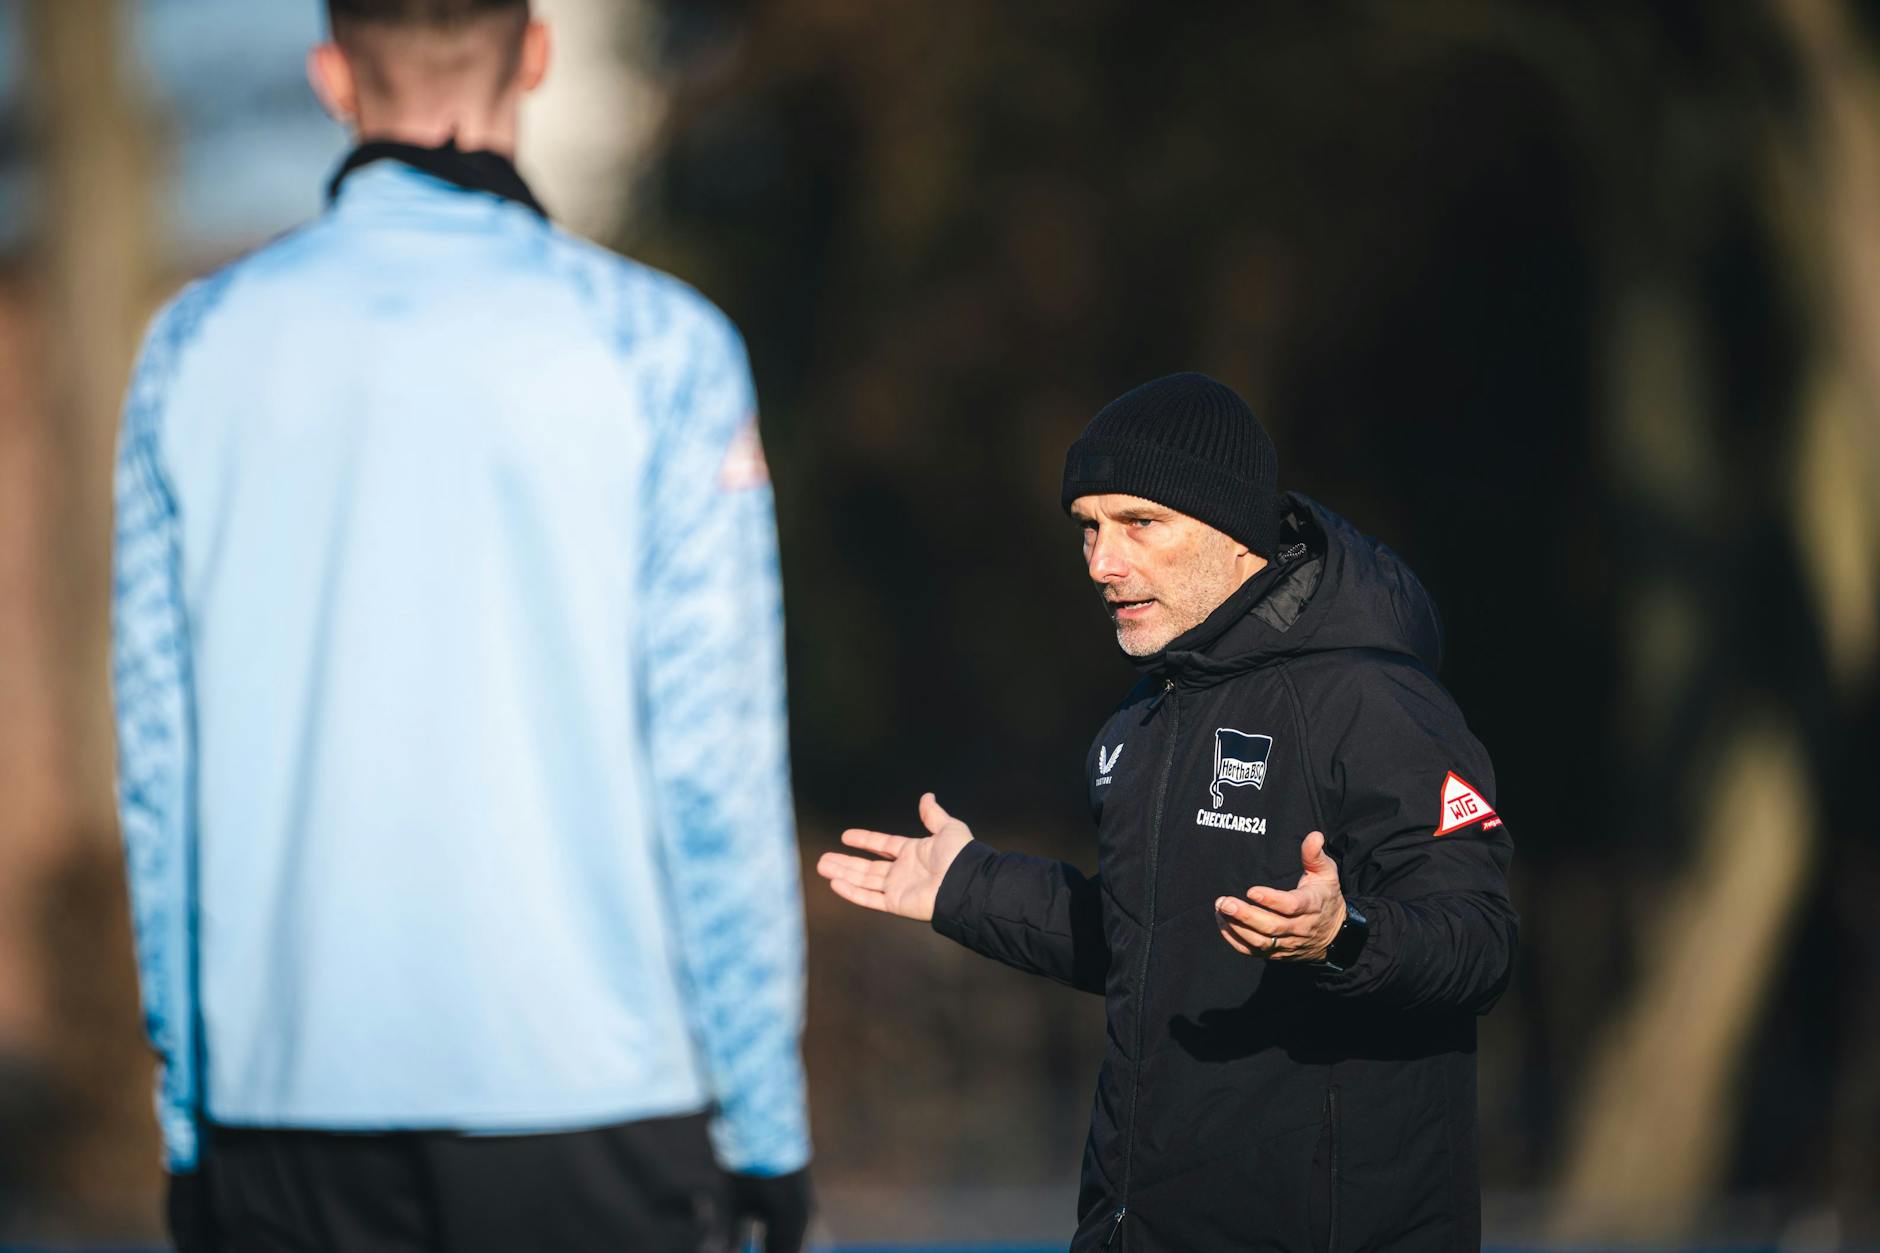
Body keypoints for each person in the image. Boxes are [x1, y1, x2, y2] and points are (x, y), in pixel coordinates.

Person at [109, 2, 811, 1249]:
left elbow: (160, 773)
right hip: (590, 1089)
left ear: (332, 77)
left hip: (282, 1096)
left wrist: (187, 1113)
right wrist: (763, 1125)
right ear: (535, 52)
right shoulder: (662, 347)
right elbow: (715, 761)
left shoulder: (192, 349)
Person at [817, 373, 1518, 1252]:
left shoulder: (1372, 698)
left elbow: (1482, 938)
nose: (1104, 562)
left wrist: (1346, 935)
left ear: (1235, 535)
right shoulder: (1145, 715)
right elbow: (1151, 940)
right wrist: (968, 886)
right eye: (1089, 528)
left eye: (1140, 523)